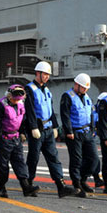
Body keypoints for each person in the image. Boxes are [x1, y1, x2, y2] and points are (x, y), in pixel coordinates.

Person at [24, 61, 75, 197]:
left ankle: (61, 186)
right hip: (37, 130)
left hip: (48, 129)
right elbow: (29, 110)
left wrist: (55, 126)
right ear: (37, 73)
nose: (47, 77)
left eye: (48, 74)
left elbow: (51, 110)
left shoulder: (47, 90)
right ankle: (28, 185)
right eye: (45, 74)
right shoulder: (29, 89)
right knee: (33, 158)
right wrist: (33, 127)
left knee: (54, 158)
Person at [0, 84, 37, 198]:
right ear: (9, 95)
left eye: (18, 99)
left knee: (20, 163)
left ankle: (26, 188)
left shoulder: (20, 104)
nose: (16, 101)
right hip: (3, 139)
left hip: (16, 139)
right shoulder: (0, 105)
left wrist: (22, 133)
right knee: (3, 166)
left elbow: (22, 120)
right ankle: (2, 188)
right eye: (14, 99)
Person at [59, 73, 99, 198]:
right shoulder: (67, 96)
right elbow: (65, 115)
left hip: (87, 132)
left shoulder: (86, 96)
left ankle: (83, 179)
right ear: (77, 85)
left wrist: (92, 129)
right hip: (74, 133)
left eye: (86, 88)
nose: (85, 90)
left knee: (93, 159)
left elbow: (91, 113)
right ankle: (77, 185)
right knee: (76, 160)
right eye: (83, 87)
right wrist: (69, 131)